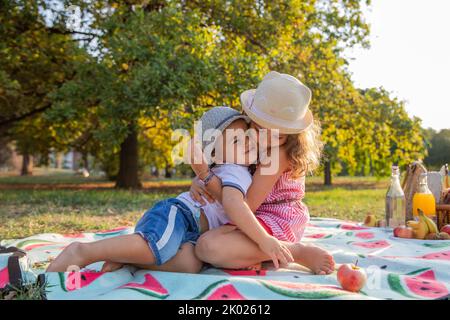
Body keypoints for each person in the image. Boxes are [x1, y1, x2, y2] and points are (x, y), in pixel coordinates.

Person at [46, 106, 294, 273]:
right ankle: (84, 252)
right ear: (215, 153)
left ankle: (127, 255)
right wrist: (265, 239)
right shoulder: (232, 171)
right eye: (237, 141)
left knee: (190, 263)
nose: (250, 143)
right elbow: (233, 203)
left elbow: (223, 193)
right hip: (180, 214)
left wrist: (203, 177)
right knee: (160, 247)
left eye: (248, 137)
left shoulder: (239, 170)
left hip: (191, 229)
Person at [192, 71, 335, 275]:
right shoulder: (246, 141)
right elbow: (226, 169)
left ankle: (295, 251)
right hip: (247, 215)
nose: (264, 140)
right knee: (195, 233)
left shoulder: (279, 154)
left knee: (208, 246)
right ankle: (253, 256)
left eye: (277, 135)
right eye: (259, 128)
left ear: (293, 136)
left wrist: (206, 177)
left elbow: (246, 203)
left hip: (277, 218)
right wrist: (198, 181)